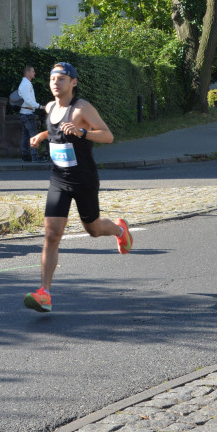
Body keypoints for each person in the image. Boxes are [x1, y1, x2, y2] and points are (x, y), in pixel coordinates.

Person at [23, 62, 131, 313]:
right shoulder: (50, 107)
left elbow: (107, 135)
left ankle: (119, 229)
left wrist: (83, 132)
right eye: (52, 79)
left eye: (61, 79)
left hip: (84, 179)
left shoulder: (81, 108)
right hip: (59, 179)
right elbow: (56, 130)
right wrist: (42, 136)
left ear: (73, 82)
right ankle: (45, 293)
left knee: (93, 230)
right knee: (51, 234)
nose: (55, 83)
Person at [16, 65, 45, 162]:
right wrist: (40, 106)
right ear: (28, 73)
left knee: (25, 135)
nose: (34, 73)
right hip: (27, 113)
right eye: (33, 71)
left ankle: (25, 156)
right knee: (34, 136)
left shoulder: (26, 83)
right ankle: (35, 157)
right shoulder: (25, 84)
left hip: (25, 112)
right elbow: (28, 100)